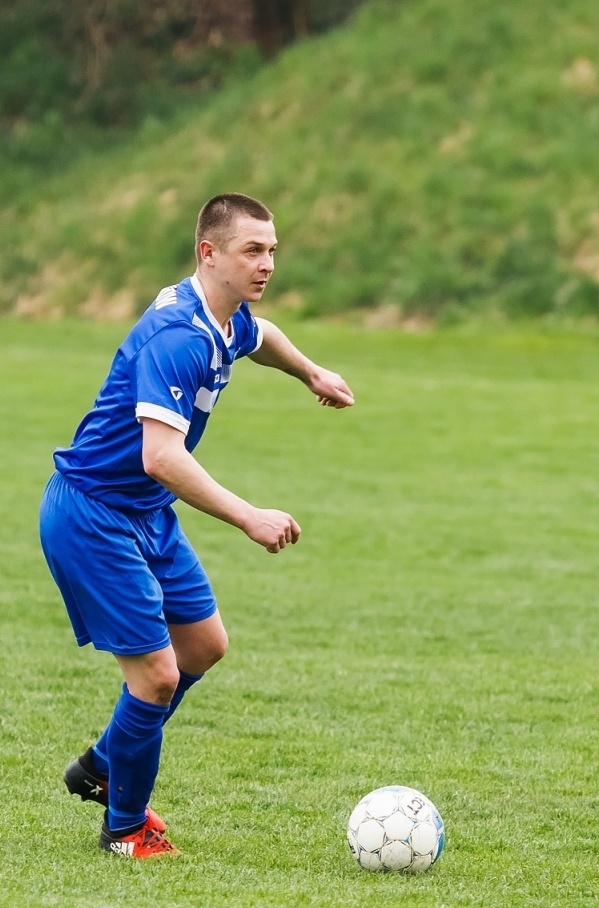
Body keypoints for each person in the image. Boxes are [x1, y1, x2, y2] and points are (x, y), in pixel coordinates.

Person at [42, 193, 354, 859]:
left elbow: (261, 336)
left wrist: (310, 372)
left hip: (142, 511)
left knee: (204, 646)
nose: (267, 263)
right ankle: (124, 829)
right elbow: (160, 456)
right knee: (155, 676)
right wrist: (248, 516)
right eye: (252, 250)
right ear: (208, 253)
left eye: (272, 250)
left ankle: (102, 762)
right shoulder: (178, 337)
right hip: (94, 512)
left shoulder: (224, 315)